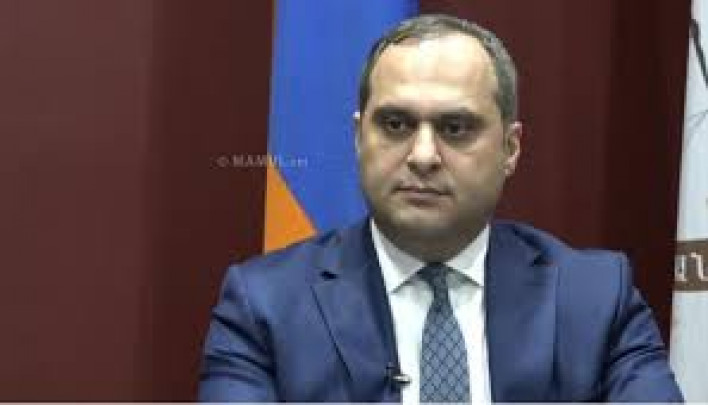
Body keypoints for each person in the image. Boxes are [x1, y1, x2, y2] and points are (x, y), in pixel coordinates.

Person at [198, 14, 683, 402]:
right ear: (358, 136)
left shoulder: (596, 300)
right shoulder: (264, 306)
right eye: (395, 124)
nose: (423, 156)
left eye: (455, 128)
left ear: (510, 148)